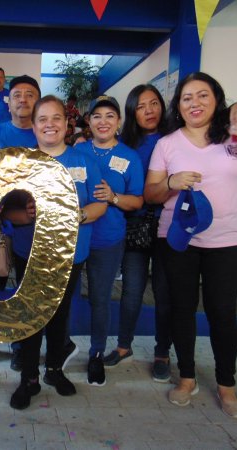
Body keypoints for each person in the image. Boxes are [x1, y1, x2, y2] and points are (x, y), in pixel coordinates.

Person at [144, 72, 237, 419]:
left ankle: (226, 385)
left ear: (216, 100)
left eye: (202, 96)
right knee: (181, 309)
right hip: (178, 239)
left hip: (226, 240)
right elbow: (151, 193)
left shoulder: (236, 140)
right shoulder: (168, 144)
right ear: (179, 105)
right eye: (187, 97)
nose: (195, 103)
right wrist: (171, 182)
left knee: (223, 314)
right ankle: (187, 377)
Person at [9, 95, 107, 409]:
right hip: (30, 252)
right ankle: (28, 378)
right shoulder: (22, 163)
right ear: (33, 127)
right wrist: (28, 214)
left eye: (56, 118)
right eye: (42, 119)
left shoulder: (84, 161)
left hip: (70, 254)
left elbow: (100, 203)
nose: (49, 124)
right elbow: (8, 212)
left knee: (58, 316)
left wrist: (73, 214)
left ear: (67, 124)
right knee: (30, 318)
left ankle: (53, 370)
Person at [74, 95, 144, 386]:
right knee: (63, 298)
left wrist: (113, 198)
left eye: (109, 116)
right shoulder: (76, 151)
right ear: (89, 122)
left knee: (100, 300)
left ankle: (95, 354)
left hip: (108, 239)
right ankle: (58, 350)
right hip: (75, 236)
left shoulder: (130, 157)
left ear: (118, 122)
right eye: (97, 116)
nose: (103, 121)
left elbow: (138, 201)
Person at [0, 75, 41, 370]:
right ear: (9, 100)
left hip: (31, 223)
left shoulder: (44, 133)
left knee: (25, 287)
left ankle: (20, 345)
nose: (23, 100)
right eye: (17, 95)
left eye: (30, 95)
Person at [116, 84, 172, 383]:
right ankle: (124, 346)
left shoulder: (175, 139)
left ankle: (162, 353)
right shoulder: (124, 144)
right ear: (132, 111)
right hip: (134, 226)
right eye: (141, 106)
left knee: (165, 294)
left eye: (154, 103)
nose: (149, 110)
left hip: (167, 228)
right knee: (132, 291)